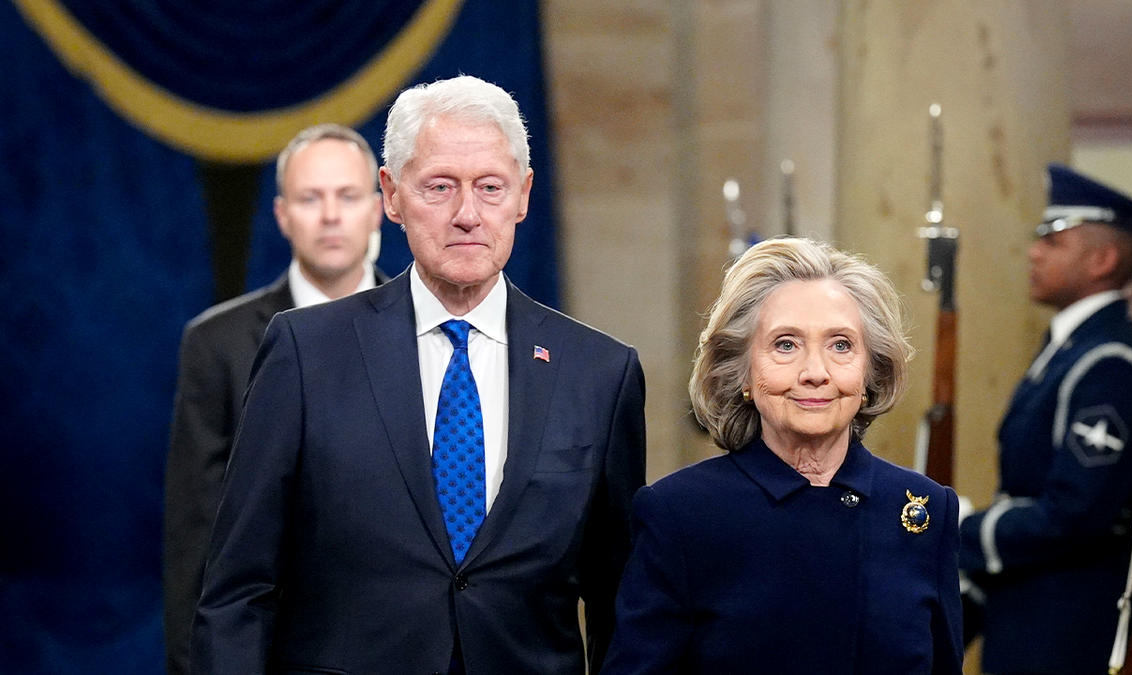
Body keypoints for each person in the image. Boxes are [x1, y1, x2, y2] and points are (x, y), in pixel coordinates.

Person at [190, 75, 647, 675]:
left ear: (524, 195)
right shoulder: (305, 353)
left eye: (490, 187)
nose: (467, 214)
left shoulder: (600, 373)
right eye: (439, 187)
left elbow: (624, 609)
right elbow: (237, 593)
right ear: (392, 194)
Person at [601, 237, 963, 674]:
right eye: (786, 345)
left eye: (841, 345)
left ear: (870, 370)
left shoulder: (924, 510)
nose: (815, 373)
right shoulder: (681, 514)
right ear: (743, 372)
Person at [163, 123, 388, 675]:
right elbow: (195, 531)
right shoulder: (215, 343)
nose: (330, 215)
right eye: (311, 198)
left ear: (379, 209)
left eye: (348, 196)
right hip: (270, 650)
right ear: (283, 214)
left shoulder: (427, 332)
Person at [959, 164, 1132, 675]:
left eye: (1054, 241)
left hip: (1067, 623)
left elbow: (1075, 513)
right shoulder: (1073, 348)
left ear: (1102, 259)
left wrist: (969, 530)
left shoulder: (1110, 362)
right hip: (1031, 610)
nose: (1034, 252)